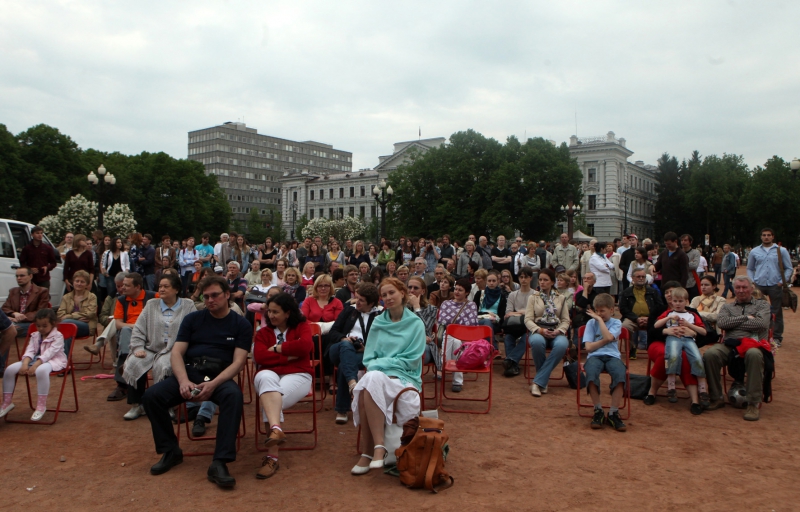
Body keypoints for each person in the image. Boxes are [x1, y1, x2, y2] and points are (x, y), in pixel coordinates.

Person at [141, 275, 251, 487]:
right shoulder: (193, 319)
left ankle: (219, 462)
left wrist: (214, 384)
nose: (210, 300)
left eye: (215, 295)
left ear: (227, 295)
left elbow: (238, 362)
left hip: (219, 376)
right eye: (206, 296)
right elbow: (176, 353)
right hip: (190, 374)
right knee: (152, 396)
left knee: (233, 396)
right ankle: (170, 451)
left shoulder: (241, 324)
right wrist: (182, 381)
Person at [350, 278, 425, 475]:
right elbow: (369, 358)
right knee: (371, 379)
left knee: (369, 379)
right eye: (384, 295)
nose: (388, 298)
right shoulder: (378, 322)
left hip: (405, 378)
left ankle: (369, 451)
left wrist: (383, 364)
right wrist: (384, 366)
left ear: (402, 293)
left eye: (392, 293)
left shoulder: (416, 324)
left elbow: (410, 361)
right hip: (379, 376)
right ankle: (377, 447)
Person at [252, 292, 314, 479]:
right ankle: (276, 431)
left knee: (269, 398)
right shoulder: (263, 333)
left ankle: (272, 457)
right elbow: (260, 357)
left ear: (287, 313)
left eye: (275, 312)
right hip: (270, 373)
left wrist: (278, 349)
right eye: (269, 311)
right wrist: (289, 355)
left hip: (298, 374)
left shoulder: (302, 326)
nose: (270, 316)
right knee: (265, 381)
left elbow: (305, 347)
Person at [122, 274, 196, 421]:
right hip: (150, 348)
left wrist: (183, 350)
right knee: (134, 362)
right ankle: (137, 405)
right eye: (160, 286)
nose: (161, 289)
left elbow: (195, 330)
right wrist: (137, 347)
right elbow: (138, 328)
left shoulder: (188, 305)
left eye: (166, 286)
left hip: (174, 350)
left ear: (176, 289)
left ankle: (165, 405)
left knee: (166, 365)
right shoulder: (151, 304)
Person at [703, 276, 772, 421]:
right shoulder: (727, 306)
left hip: (755, 344)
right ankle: (716, 397)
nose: (741, 291)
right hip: (731, 344)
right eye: (738, 288)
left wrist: (733, 323)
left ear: (751, 289)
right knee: (710, 354)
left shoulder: (762, 305)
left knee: (754, 355)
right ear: (734, 289)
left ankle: (753, 403)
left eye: (744, 287)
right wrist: (747, 317)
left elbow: (762, 324)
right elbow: (722, 323)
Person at [328, 283, 382, 424]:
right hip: (338, 349)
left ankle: (342, 409)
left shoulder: (380, 316)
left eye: (361, 300)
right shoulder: (348, 311)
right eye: (357, 298)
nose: (357, 302)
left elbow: (383, 341)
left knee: (344, 367)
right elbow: (333, 332)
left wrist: (367, 348)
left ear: (371, 303)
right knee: (346, 346)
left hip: (363, 354)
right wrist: (344, 338)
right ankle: (352, 383)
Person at [0, 309, 66, 421]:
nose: (41, 329)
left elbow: (49, 354)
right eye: (38, 325)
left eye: (44, 326)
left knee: (41, 371)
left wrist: (35, 366)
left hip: (53, 361)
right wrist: (25, 364)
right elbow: (29, 350)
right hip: (33, 360)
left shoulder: (58, 336)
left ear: (53, 323)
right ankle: (7, 402)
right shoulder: (35, 335)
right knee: (9, 370)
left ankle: (41, 406)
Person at [653, 287, 708, 411]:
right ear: (671, 301)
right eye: (675, 301)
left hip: (688, 339)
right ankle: (671, 387)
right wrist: (668, 318)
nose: (677, 304)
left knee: (697, 358)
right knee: (672, 356)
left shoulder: (692, 314)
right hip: (673, 338)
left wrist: (689, 326)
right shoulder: (668, 313)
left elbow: (704, 332)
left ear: (686, 302)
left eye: (680, 301)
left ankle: (702, 389)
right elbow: (656, 325)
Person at [107, 273, 158, 402]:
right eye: (123, 285)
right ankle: (125, 374)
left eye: (126, 285)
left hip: (151, 333)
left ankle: (124, 374)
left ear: (137, 287)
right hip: (131, 334)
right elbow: (118, 324)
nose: (122, 288)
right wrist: (135, 326)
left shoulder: (153, 297)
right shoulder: (121, 300)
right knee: (125, 331)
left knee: (127, 335)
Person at [582, 294, 626, 432]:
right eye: (597, 311)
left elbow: (608, 337)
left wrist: (599, 321)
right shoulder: (590, 323)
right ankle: (598, 410)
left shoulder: (617, 323)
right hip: (594, 356)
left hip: (613, 356)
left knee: (620, 374)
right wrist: (605, 340)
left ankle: (613, 412)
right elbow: (588, 348)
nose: (599, 314)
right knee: (591, 373)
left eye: (602, 311)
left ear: (612, 310)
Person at [523, 269, 571, 396]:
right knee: (537, 342)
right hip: (539, 330)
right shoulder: (533, 298)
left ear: (552, 282)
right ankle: (542, 382)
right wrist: (540, 330)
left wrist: (559, 330)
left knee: (562, 345)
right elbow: (527, 319)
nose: (542, 282)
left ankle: (538, 382)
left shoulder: (561, 298)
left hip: (556, 330)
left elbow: (566, 320)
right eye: (540, 279)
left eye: (545, 280)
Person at [746, 228, 792, 347]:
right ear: (761, 237)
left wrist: (782, 281)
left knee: (776, 311)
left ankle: (776, 337)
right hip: (759, 284)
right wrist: (752, 281)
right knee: (755, 309)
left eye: (768, 235)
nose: (766, 237)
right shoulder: (754, 251)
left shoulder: (781, 251)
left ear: (773, 237)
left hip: (774, 284)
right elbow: (750, 268)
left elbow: (789, 268)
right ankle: (757, 334)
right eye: (764, 235)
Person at [437, 278, 479, 393]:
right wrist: (456, 325)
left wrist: (455, 326)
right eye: (456, 289)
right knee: (454, 340)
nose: (457, 292)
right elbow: (443, 321)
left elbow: (471, 324)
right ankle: (457, 381)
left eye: (460, 290)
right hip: (450, 335)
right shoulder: (446, 303)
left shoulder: (471, 305)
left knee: (456, 340)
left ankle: (444, 364)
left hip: (465, 337)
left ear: (467, 293)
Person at [619, 268, 664, 359]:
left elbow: (660, 307)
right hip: (632, 319)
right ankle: (632, 349)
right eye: (638, 276)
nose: (641, 278)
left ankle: (653, 349)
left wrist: (650, 318)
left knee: (661, 325)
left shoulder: (653, 291)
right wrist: (636, 318)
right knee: (625, 326)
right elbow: (623, 309)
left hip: (650, 319)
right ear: (632, 278)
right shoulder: (625, 292)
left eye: (643, 276)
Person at [501, 266, 535, 377]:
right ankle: (513, 364)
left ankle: (510, 361)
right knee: (508, 338)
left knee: (527, 338)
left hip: (530, 326)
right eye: (521, 277)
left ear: (531, 278)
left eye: (526, 277)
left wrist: (518, 312)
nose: (523, 280)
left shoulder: (536, 295)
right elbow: (508, 313)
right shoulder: (512, 295)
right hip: (515, 325)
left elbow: (535, 314)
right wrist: (524, 312)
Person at [2, 267, 51, 339]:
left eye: (22, 276)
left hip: (31, 323)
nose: (18, 278)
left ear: (30, 276)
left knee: (6, 331)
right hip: (14, 322)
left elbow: (41, 312)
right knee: (5, 330)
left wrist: (21, 317)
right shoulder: (13, 291)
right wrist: (14, 313)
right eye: (17, 276)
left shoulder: (42, 291)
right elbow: (4, 308)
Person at [406, 277, 438, 380]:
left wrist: (416, 307)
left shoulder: (432, 309)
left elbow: (425, 329)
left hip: (424, 347)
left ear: (423, 291)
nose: (411, 290)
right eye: (409, 287)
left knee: (419, 350)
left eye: (416, 288)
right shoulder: (401, 308)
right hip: (405, 345)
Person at [56, 270, 97, 339]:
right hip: (68, 325)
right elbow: (60, 314)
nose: (79, 284)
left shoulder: (92, 297)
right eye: (77, 281)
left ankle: (64, 350)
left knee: (65, 324)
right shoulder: (66, 297)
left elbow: (90, 313)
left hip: (86, 325)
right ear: (73, 282)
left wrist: (68, 316)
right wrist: (77, 318)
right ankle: (66, 350)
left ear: (87, 284)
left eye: (82, 282)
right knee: (65, 328)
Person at [472, 271, 506, 348]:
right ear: (486, 282)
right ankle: (493, 348)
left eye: (494, 281)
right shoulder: (479, 293)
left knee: (488, 323)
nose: (491, 283)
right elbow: (473, 311)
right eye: (489, 281)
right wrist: (486, 314)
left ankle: (489, 349)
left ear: (498, 282)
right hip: (479, 320)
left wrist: (499, 322)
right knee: (487, 322)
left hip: (495, 321)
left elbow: (502, 314)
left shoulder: (502, 296)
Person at [19, 226, 57, 291]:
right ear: (32, 235)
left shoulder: (47, 248)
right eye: (37, 233)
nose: (40, 235)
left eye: (41, 233)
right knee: (31, 298)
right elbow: (22, 262)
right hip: (31, 278)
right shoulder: (27, 249)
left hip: (44, 278)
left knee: (43, 297)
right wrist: (29, 269)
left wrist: (47, 267)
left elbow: (53, 262)